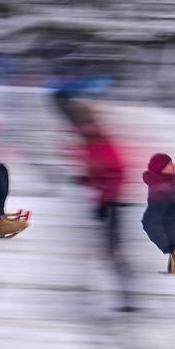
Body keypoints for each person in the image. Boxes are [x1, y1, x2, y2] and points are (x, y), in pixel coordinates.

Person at [54, 94, 134, 311]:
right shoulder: (91, 141)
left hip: (111, 203)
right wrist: (85, 178)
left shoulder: (99, 140)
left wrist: (103, 193)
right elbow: (96, 170)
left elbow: (115, 171)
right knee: (107, 251)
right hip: (103, 202)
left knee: (113, 251)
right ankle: (121, 296)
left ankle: (128, 298)